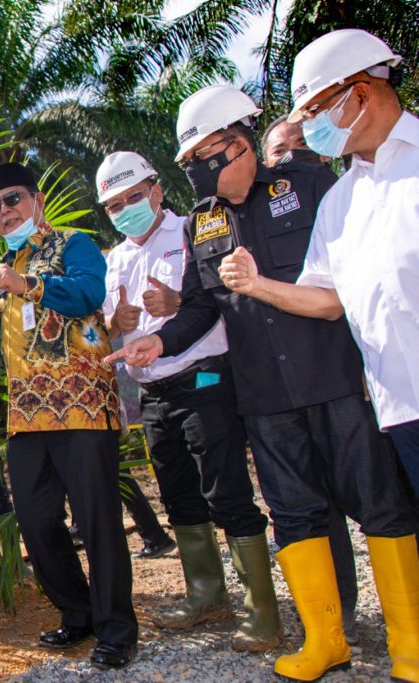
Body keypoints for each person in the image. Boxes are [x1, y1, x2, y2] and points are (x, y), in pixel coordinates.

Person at [105, 83, 416, 682]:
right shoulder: (203, 222)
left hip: (335, 380)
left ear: (236, 145)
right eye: (188, 164)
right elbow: (200, 307)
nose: (193, 173)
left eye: (199, 159)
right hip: (264, 398)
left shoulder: (310, 188)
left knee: (379, 504)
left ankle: (409, 643)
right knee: (293, 514)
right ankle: (324, 640)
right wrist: (159, 340)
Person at [220, 28, 419, 681]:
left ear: (360, 92)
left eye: (314, 114)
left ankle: (411, 646)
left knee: (382, 509)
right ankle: (353, 643)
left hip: (364, 394)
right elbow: (326, 298)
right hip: (398, 402)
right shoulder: (344, 200)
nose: (310, 132)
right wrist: (254, 286)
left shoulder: (393, 172)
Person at [0, 162, 138, 668]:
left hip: (82, 406)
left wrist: (24, 283)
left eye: (13, 200)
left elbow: (89, 294)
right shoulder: (2, 270)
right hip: (26, 414)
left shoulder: (74, 243)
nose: (4, 212)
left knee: (97, 521)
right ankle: (79, 614)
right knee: (34, 518)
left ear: (37, 200)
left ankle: (117, 629)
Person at [97, 151, 278, 651]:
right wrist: (120, 325)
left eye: (134, 196)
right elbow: (111, 326)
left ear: (157, 190)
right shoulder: (115, 260)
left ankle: (261, 609)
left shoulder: (191, 231)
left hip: (202, 381)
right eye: (114, 205)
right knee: (179, 496)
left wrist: (175, 307)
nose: (126, 208)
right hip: (153, 393)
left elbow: (212, 303)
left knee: (226, 492)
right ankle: (206, 594)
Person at [260, 114, 361, 645]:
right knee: (314, 506)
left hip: (352, 374)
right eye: (279, 150)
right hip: (288, 384)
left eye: (302, 144)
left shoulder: (349, 195)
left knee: (378, 496)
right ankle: (337, 617)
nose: (291, 155)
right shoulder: (256, 210)